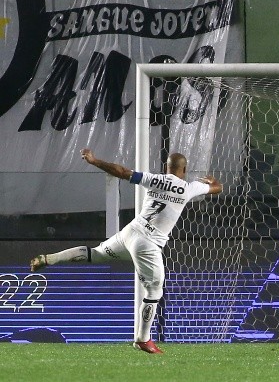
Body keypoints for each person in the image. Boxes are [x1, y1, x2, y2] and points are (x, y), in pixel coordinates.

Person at [30, 148, 223, 354]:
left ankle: (49, 258)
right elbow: (218, 188)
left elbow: (121, 171)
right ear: (183, 169)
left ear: (166, 168)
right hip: (148, 244)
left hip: (129, 234)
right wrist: (211, 182)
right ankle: (143, 339)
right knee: (154, 291)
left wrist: (94, 161)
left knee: (95, 254)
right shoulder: (189, 187)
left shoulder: (153, 179)